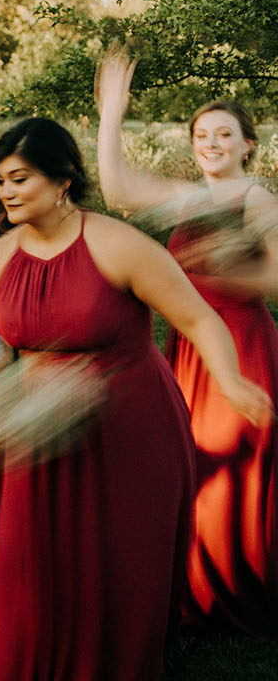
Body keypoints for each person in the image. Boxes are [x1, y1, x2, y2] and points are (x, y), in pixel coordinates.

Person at [0, 117, 272, 681]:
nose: (6, 191)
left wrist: (228, 379)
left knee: (115, 564)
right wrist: (0, 408)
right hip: (36, 431)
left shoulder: (119, 245)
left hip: (130, 426)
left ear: (62, 182)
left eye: (20, 178)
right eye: (0, 180)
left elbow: (197, 317)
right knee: (30, 563)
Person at [97, 50, 278, 634]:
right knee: (189, 462)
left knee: (234, 466)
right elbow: (117, 188)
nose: (211, 142)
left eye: (224, 133)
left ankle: (236, 593)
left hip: (241, 342)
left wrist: (208, 276)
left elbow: (276, 278)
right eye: (202, 134)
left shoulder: (257, 199)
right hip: (191, 353)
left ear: (248, 143)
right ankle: (193, 585)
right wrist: (111, 112)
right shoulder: (190, 198)